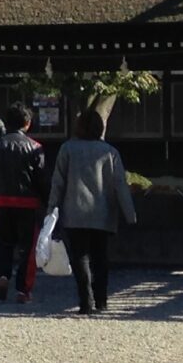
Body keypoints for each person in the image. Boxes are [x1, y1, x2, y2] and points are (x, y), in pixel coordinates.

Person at [44, 107, 139, 316]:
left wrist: (51, 210)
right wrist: (130, 214)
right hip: (102, 213)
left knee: (80, 257)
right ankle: (102, 299)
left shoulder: (67, 149)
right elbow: (120, 184)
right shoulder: (109, 152)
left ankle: (85, 300)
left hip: (74, 212)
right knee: (100, 256)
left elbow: (58, 183)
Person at [0, 102, 49, 304]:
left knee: (4, 242)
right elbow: (42, 178)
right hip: (28, 202)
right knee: (28, 248)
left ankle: (3, 277)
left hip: (2, 200)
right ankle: (23, 289)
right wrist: (49, 202)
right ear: (27, 124)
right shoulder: (35, 148)